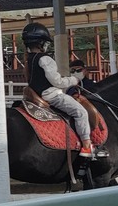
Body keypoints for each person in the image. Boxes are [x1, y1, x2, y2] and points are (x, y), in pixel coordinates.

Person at [22, 23, 107, 160]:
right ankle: (86, 145)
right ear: (41, 43)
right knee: (80, 112)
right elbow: (58, 82)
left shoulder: (28, 59)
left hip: (37, 94)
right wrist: (75, 79)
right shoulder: (45, 59)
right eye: (45, 43)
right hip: (52, 95)